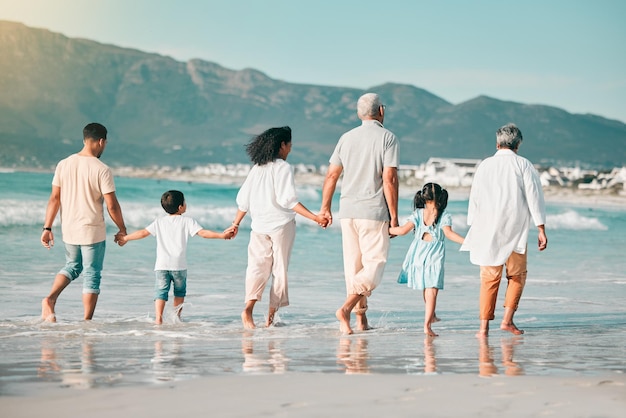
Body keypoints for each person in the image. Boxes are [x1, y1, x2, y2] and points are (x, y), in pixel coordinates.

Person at [231, 126, 328, 329]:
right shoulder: (283, 167)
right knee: (279, 270)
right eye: (289, 144)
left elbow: (243, 201)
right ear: (282, 145)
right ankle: (270, 319)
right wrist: (315, 217)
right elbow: (289, 200)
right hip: (281, 225)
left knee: (257, 268)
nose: (290, 149)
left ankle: (248, 309)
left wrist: (235, 224)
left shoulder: (257, 168)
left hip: (258, 227)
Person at [320, 92, 399, 335]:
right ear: (381, 111)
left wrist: (325, 207)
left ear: (359, 113)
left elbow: (332, 175)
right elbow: (390, 178)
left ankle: (360, 320)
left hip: (348, 212)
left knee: (354, 267)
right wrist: (394, 216)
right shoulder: (388, 137)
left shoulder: (346, 138)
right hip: (373, 211)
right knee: (374, 264)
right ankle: (345, 309)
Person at [460, 123, 548, 337]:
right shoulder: (523, 165)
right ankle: (507, 321)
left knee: (489, 279)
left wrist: (474, 224)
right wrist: (541, 228)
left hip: (486, 228)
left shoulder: (485, 165)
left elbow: (475, 197)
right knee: (517, 275)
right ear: (518, 144)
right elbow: (534, 197)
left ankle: (483, 329)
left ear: (497, 143)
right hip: (514, 228)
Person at [40, 122, 127, 322]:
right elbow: (111, 205)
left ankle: (50, 299)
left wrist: (47, 227)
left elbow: (54, 198)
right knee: (92, 274)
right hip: (91, 230)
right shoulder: (102, 169)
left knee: (72, 266)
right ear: (101, 141)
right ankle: (86, 323)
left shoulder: (64, 163)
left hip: (69, 228)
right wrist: (122, 229)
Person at [117, 190, 235, 324]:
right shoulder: (187, 221)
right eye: (184, 202)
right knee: (179, 293)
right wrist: (221, 235)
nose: (186, 204)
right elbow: (203, 233)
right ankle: (176, 318)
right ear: (180, 207)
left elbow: (143, 233)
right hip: (179, 265)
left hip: (161, 265)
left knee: (160, 292)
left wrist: (126, 238)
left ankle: (158, 319)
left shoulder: (159, 222)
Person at [389, 183, 464, 337]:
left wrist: (384, 229)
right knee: (432, 290)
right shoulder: (444, 215)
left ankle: (432, 315)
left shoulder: (418, 213)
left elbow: (402, 231)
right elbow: (449, 234)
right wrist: (467, 241)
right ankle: (427, 325)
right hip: (434, 256)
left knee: (426, 287)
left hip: (417, 254)